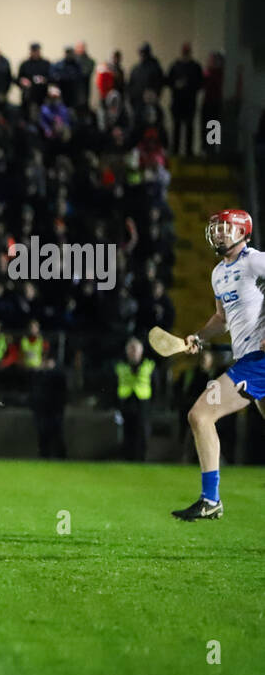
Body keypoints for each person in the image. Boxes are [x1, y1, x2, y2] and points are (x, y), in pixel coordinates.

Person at [171, 210, 265, 520]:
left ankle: (211, 500)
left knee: (200, 415)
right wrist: (200, 335)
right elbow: (222, 319)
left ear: (242, 231)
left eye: (225, 228)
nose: (219, 234)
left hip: (259, 361)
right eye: (216, 229)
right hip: (248, 358)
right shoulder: (217, 273)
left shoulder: (255, 261)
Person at [115, 337, 156, 461]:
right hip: (126, 403)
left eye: (135, 349)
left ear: (141, 351)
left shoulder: (149, 365)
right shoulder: (120, 366)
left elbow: (155, 386)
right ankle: (127, 459)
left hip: (143, 404)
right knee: (127, 433)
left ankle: (141, 460)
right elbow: (114, 385)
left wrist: (153, 405)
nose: (133, 352)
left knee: (142, 434)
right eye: (131, 349)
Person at [167, 43, 203, 156]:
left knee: (189, 127)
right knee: (177, 127)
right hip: (178, 101)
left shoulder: (195, 66)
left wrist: (188, 85)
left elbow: (200, 83)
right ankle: (175, 151)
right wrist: (176, 85)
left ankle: (188, 152)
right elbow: (168, 81)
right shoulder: (176, 66)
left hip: (189, 101)